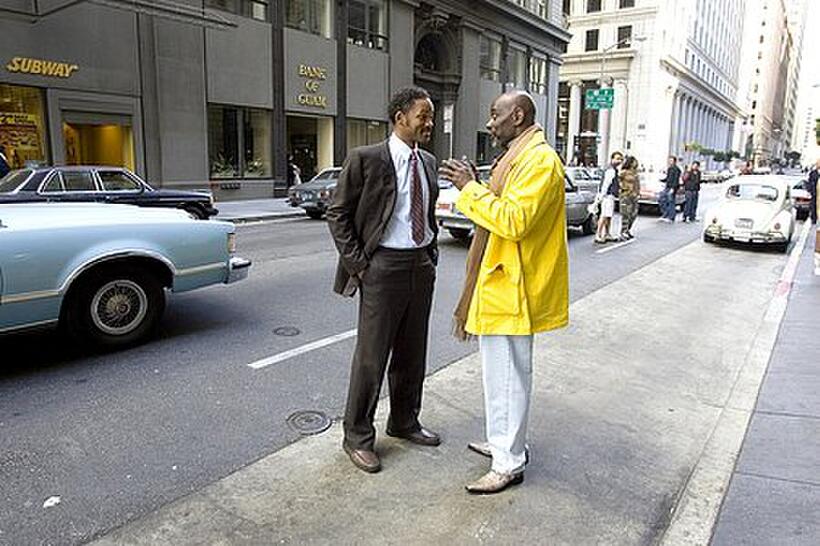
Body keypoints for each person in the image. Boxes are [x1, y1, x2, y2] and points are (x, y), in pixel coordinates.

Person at [439, 90, 569, 494]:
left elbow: (513, 220)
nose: (490, 122)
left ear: (518, 115)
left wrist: (468, 189)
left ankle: (509, 462)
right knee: (499, 376)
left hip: (517, 288)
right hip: (502, 283)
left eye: (495, 114)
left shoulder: (540, 161)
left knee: (509, 377)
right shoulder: (520, 155)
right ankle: (503, 445)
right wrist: (476, 186)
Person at [326, 87, 440, 474]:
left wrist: (430, 253)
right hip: (383, 267)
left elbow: (425, 211)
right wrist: (361, 265)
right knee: (372, 358)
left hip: (420, 265)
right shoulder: (366, 159)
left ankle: (404, 421)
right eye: (423, 115)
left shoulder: (427, 161)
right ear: (399, 117)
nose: (429, 122)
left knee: (413, 353)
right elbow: (337, 214)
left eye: (431, 115)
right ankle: (357, 436)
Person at [595, 151, 624, 243]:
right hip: (607, 196)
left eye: (620, 159)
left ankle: (607, 233)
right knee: (604, 215)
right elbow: (606, 184)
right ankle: (598, 234)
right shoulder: (610, 170)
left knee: (608, 216)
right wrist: (601, 196)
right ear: (612, 159)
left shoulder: (614, 169)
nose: (619, 161)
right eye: (617, 158)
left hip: (610, 196)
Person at [618, 155, 640, 240]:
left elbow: (637, 184)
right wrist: (623, 188)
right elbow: (618, 181)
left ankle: (628, 229)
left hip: (634, 196)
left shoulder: (635, 172)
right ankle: (623, 231)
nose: (635, 163)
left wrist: (638, 193)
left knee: (633, 214)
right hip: (625, 195)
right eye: (634, 161)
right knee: (625, 214)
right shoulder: (624, 172)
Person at [659, 156, 681, 222]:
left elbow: (676, 180)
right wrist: (662, 180)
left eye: (671, 160)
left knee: (671, 202)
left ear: (674, 161)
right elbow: (668, 178)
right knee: (661, 199)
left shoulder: (676, 169)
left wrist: (673, 188)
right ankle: (665, 214)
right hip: (667, 186)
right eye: (669, 160)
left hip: (672, 187)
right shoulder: (669, 169)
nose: (670, 162)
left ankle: (671, 217)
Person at [807, 159, 819, 224]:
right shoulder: (813, 173)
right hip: (815, 193)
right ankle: (814, 218)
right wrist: (809, 190)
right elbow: (809, 182)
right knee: (814, 206)